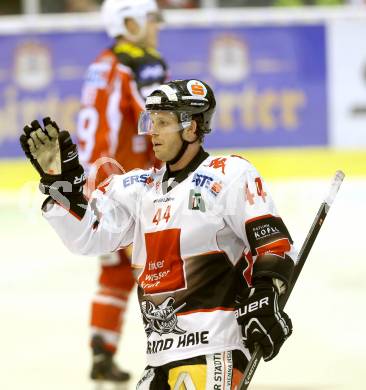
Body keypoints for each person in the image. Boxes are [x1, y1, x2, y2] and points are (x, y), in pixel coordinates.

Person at [20, 79, 296, 389]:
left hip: (213, 350)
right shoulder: (135, 188)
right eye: (151, 120)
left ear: (191, 128)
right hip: (159, 358)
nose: (152, 130)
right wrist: (64, 187)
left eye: (162, 122)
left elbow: (274, 244)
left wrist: (265, 296)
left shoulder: (229, 174)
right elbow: (87, 237)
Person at [75, 0, 168, 383]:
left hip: (96, 182)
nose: (155, 27)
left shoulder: (101, 62)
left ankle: (102, 351)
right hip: (126, 186)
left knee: (115, 273)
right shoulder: (140, 65)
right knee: (164, 269)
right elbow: (153, 121)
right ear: (128, 22)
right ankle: (176, 356)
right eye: (149, 20)